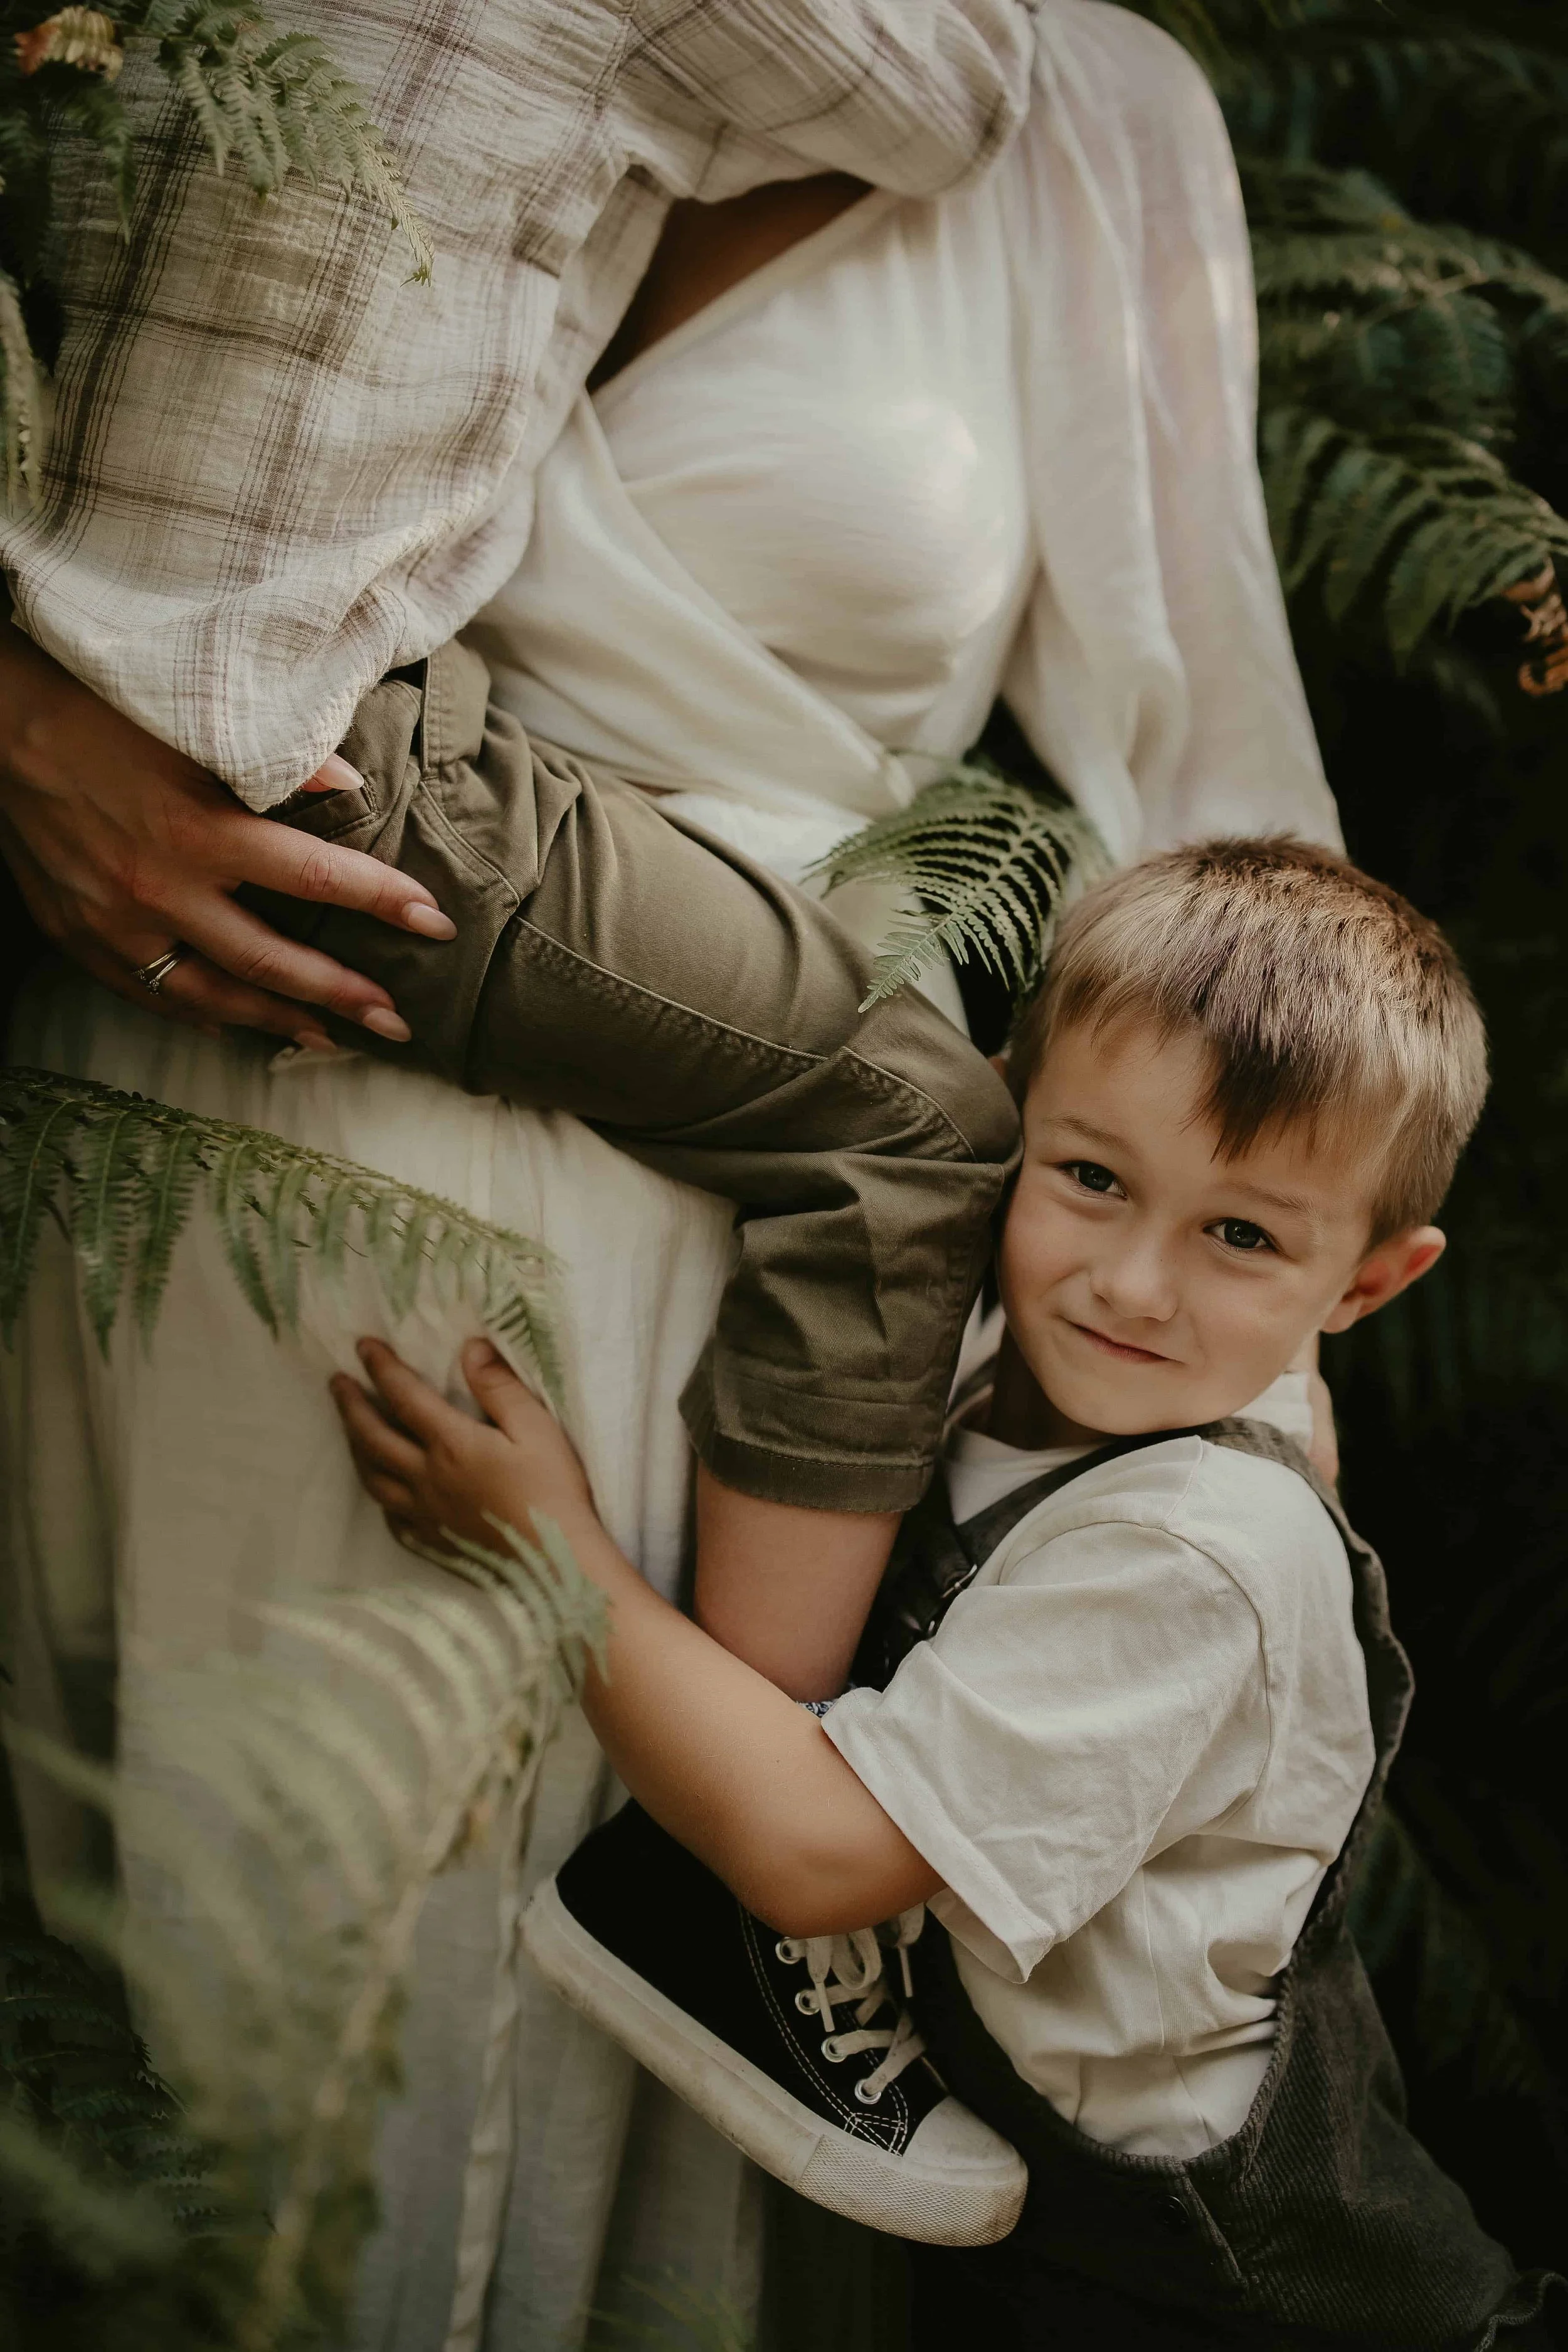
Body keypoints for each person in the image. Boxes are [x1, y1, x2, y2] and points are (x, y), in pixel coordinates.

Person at [2, 5, 1339, 2338]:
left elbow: (1203, 789)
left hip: (712, 1373)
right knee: (132, 2075)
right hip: (158, 1168)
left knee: (491, 2140)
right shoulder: (204, 34)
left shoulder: (1066, 103)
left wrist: (1250, 1408)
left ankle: (731, 1913)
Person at [329, 839, 1560, 2350]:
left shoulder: (1195, 1555)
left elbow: (815, 1849)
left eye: (1237, 1235)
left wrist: (551, 1550)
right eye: (1091, 1178)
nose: (1128, 1283)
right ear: (1007, 1123)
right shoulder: (1046, 1380)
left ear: (1366, 1287)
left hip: (1233, 2298)